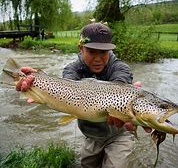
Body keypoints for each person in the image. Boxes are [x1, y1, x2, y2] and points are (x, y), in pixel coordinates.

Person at [16, 22, 151, 168]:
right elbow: (65, 89)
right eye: (92, 52)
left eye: (103, 52)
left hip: (119, 134)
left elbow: (119, 85)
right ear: (81, 49)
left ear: (110, 51)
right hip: (91, 136)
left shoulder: (121, 68)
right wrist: (39, 79)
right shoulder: (72, 69)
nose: (98, 58)